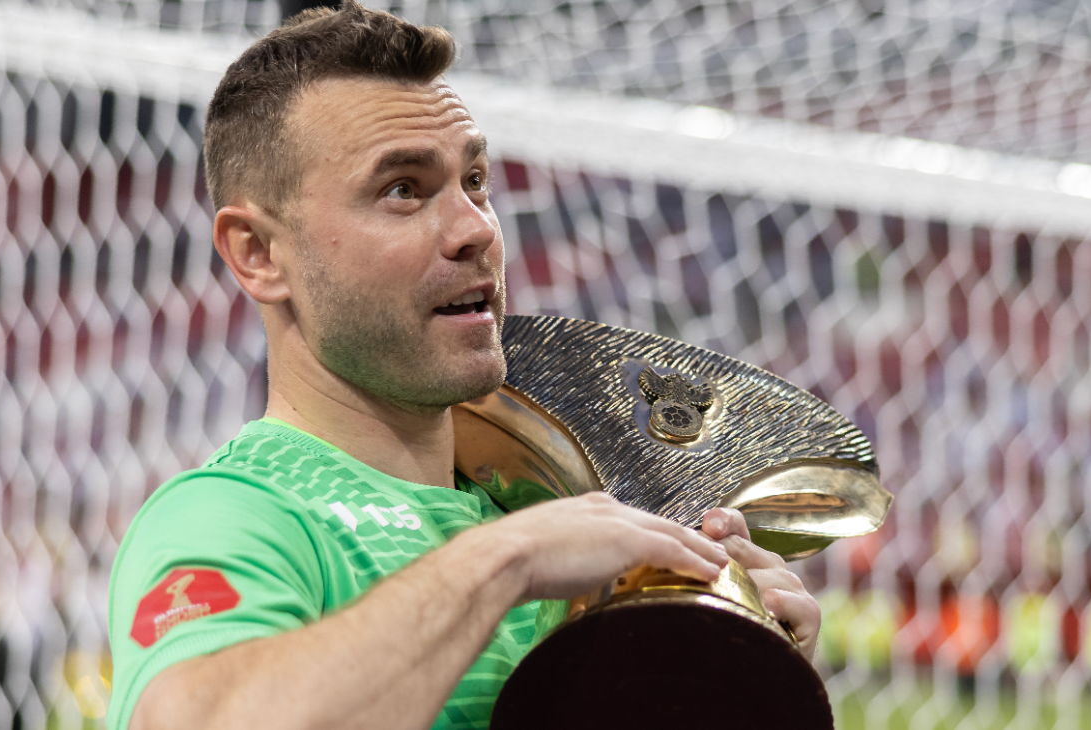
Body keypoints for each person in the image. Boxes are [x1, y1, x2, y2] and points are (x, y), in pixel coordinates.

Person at [105, 3, 822, 729]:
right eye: (403, 189)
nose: (476, 228)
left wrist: (734, 674)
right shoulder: (237, 513)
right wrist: (505, 561)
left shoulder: (564, 530)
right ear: (258, 253)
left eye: (474, 180)